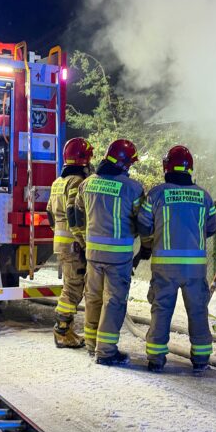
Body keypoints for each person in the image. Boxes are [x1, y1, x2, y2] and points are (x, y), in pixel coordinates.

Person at [138, 145, 216, 374]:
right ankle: (202, 358)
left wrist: (149, 242)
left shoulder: (156, 194)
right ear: (190, 168)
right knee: (198, 311)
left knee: (161, 310)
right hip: (195, 268)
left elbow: (143, 224)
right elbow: (212, 227)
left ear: (166, 167)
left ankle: (156, 358)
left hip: (165, 267)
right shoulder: (204, 196)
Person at [71, 139, 150, 366]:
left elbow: (77, 214)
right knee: (113, 302)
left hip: (92, 253)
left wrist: (83, 240)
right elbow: (143, 221)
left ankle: (91, 343)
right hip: (119, 256)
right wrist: (145, 246)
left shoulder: (87, 184)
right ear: (124, 163)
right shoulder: (132, 188)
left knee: (93, 298)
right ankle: (105, 352)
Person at [46, 137, 95, 349]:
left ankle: (67, 330)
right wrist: (82, 242)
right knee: (73, 288)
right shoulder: (76, 182)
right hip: (74, 243)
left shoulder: (58, 182)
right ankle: (62, 332)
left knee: (70, 285)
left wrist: (59, 236)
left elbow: (49, 213)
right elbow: (75, 214)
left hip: (61, 242)